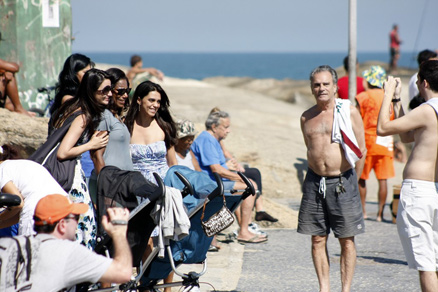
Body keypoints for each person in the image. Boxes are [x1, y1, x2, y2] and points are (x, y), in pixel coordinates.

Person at [298, 65, 366, 292]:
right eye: (316, 85)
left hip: (342, 182)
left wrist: (353, 183)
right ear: (311, 88)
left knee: (346, 240)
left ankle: (345, 289)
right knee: (317, 239)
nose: (321, 88)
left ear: (335, 86)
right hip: (314, 182)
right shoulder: (306, 117)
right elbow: (310, 148)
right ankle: (324, 288)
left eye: (326, 84)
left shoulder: (348, 112)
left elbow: (361, 150)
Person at [377, 60, 438, 292]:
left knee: (427, 264)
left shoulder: (426, 110)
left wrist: (387, 93)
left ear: (423, 82)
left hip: (420, 192)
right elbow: (406, 136)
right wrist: (397, 101)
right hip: (435, 189)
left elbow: (383, 128)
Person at [50, 68, 110, 249]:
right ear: (92, 92)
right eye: (104, 90)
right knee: (83, 229)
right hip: (71, 178)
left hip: (60, 176)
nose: (110, 94)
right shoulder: (82, 116)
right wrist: (91, 144)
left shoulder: (70, 108)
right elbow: (63, 152)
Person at [191, 110, 268, 244]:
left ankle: (245, 229)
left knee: (250, 184)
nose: (229, 131)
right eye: (226, 127)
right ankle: (244, 231)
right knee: (250, 187)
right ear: (214, 127)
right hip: (210, 184)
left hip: (217, 181)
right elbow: (216, 169)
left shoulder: (213, 139)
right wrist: (239, 178)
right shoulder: (207, 140)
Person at [27, 194, 132, 291]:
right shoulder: (69, 253)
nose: (78, 223)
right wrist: (119, 232)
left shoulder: (17, 244)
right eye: (76, 218)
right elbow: (123, 272)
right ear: (62, 225)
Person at [208, 107, 278, 223]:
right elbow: (215, 166)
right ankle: (246, 223)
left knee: (255, 172)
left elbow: (226, 152)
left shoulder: (218, 139)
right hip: (222, 174)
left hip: (227, 168)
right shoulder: (209, 139)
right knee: (247, 182)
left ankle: (260, 209)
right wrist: (228, 166)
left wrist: (236, 163)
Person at [356, 65, 394, 221]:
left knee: (362, 178)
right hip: (385, 141)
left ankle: (363, 211)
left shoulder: (363, 96)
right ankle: (380, 214)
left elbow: (357, 119)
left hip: (367, 141)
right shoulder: (387, 96)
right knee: (383, 180)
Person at [49, 54, 95, 182]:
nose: (89, 76)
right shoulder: (69, 100)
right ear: (74, 74)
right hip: (71, 166)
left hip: (84, 162)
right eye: (85, 72)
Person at [125, 80, 177, 182]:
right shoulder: (126, 126)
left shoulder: (165, 126)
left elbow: (172, 163)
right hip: (136, 187)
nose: (156, 105)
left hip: (164, 186)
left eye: (158, 101)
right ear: (139, 100)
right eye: (151, 100)